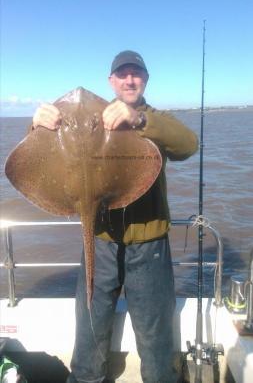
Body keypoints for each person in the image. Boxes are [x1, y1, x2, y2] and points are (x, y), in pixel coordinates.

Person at [32, 50, 198, 383]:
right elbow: (44, 153)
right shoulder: (91, 116)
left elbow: (188, 144)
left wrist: (140, 121)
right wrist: (38, 124)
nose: (129, 79)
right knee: (91, 319)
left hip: (148, 243)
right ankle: (85, 378)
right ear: (111, 81)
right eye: (122, 74)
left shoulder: (154, 118)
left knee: (155, 330)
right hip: (101, 238)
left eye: (136, 73)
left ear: (145, 80)